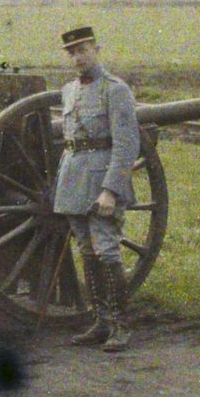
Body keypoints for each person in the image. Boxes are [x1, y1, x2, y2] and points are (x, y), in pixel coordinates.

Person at [54, 25, 142, 352]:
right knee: (87, 252)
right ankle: (100, 320)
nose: (77, 58)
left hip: (101, 179)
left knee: (106, 250)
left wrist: (111, 190)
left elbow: (126, 145)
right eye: (72, 53)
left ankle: (120, 324)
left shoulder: (115, 89)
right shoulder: (69, 90)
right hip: (74, 178)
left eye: (83, 50)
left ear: (97, 49)